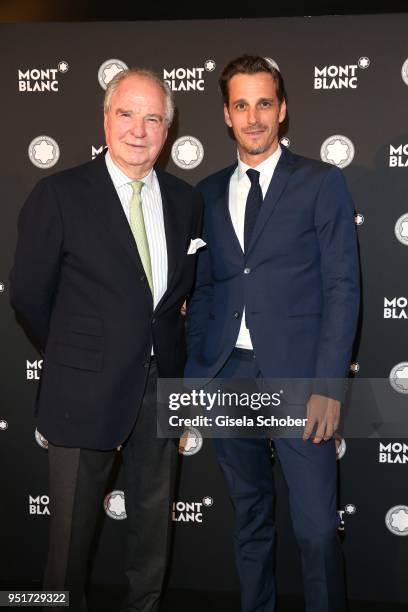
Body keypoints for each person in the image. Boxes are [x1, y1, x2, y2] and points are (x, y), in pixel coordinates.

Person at [10, 68, 202, 612]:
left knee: (151, 534)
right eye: (126, 114)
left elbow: (176, 302)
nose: (138, 130)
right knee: (68, 541)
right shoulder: (61, 194)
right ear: (105, 119)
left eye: (152, 118)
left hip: (161, 387)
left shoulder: (186, 202)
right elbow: (29, 296)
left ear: (167, 129)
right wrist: (77, 356)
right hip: (81, 392)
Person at [185, 55, 359, 612]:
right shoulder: (207, 193)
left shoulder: (320, 181)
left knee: (314, 530)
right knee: (251, 519)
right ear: (227, 115)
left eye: (264, 103)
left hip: (300, 381)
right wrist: (196, 376)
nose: (253, 116)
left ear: (282, 110)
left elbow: (342, 287)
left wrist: (329, 385)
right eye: (241, 105)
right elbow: (206, 290)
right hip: (228, 377)